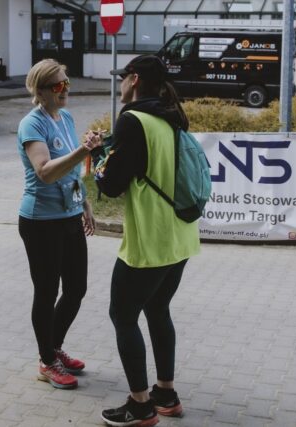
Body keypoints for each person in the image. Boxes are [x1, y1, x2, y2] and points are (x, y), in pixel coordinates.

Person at [91, 55, 199, 426]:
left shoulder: (133, 120)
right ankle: (165, 394)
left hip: (151, 240)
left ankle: (140, 406)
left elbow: (114, 183)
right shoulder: (172, 115)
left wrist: (96, 159)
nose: (120, 85)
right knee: (157, 309)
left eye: (123, 78)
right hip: (181, 237)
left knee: (122, 314)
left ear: (134, 79)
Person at [17, 59, 101, 390]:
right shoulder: (31, 124)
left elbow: (72, 174)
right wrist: (84, 150)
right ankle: (46, 361)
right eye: (59, 85)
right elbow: (46, 171)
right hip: (40, 221)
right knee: (47, 290)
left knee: (76, 288)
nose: (66, 90)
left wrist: (85, 203)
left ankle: (53, 348)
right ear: (40, 91)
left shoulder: (65, 117)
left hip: (69, 215)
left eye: (67, 83)